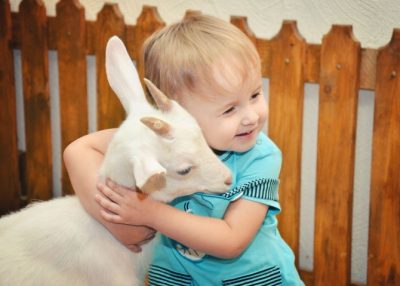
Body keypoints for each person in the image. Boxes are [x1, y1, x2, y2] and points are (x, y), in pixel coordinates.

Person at [65, 15, 304, 286]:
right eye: (229, 109)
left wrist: (148, 213)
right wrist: (113, 217)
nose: (251, 116)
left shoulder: (260, 157)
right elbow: (78, 149)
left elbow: (231, 240)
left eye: (255, 95)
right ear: (180, 113)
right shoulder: (156, 140)